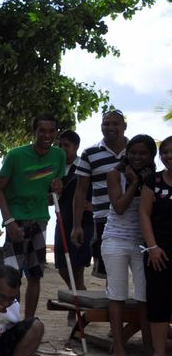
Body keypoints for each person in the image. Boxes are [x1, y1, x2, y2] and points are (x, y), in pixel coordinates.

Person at [0, 114, 65, 319]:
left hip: (40, 220)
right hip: (16, 221)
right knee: (11, 276)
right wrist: (9, 222)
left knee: (35, 274)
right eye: (42, 130)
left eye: (51, 131)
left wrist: (58, 189)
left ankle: (26, 323)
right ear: (34, 131)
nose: (47, 135)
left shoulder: (58, 156)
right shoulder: (16, 155)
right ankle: (10, 319)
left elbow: (52, 198)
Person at [101, 133, 155, 356]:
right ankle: (119, 347)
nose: (137, 157)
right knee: (117, 296)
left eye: (143, 153)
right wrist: (133, 182)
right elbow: (120, 206)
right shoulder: (115, 174)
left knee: (145, 296)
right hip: (115, 239)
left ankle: (149, 347)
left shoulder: (154, 177)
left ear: (151, 155)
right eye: (132, 152)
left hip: (142, 242)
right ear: (126, 153)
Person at [72, 110, 130, 277]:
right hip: (104, 220)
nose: (110, 127)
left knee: (139, 267)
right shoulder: (90, 153)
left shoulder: (136, 151)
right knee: (109, 273)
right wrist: (77, 226)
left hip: (134, 217)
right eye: (106, 123)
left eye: (115, 123)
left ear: (124, 126)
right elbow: (81, 191)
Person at [139, 136, 172, 356]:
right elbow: (144, 214)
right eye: (165, 152)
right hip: (158, 253)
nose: (168, 156)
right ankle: (159, 354)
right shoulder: (154, 180)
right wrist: (152, 247)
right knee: (158, 303)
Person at [54, 130, 92, 293]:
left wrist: (93, 206)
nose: (63, 149)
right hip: (62, 220)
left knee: (77, 268)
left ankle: (76, 308)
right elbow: (50, 198)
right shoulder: (56, 169)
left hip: (83, 222)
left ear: (76, 146)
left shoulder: (83, 167)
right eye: (60, 145)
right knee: (62, 267)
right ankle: (79, 294)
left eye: (66, 145)